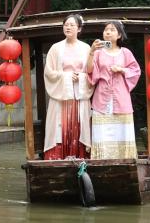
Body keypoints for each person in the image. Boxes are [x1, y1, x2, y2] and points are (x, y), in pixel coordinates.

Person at [87, 21, 141, 160]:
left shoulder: (125, 52)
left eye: (112, 30)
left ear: (119, 35)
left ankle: (125, 160)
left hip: (121, 97)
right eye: (106, 30)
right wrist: (91, 52)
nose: (108, 32)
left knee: (122, 130)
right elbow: (89, 71)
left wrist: (122, 70)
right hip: (101, 97)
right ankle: (101, 160)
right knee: (101, 132)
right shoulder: (98, 53)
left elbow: (136, 71)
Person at [42, 15, 94, 160]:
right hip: (61, 96)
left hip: (79, 94)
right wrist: (66, 76)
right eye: (66, 25)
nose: (68, 27)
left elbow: (91, 72)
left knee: (79, 124)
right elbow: (49, 72)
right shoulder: (56, 48)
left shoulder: (86, 48)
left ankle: (80, 156)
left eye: (72, 25)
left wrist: (81, 77)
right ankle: (57, 157)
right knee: (60, 126)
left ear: (79, 29)